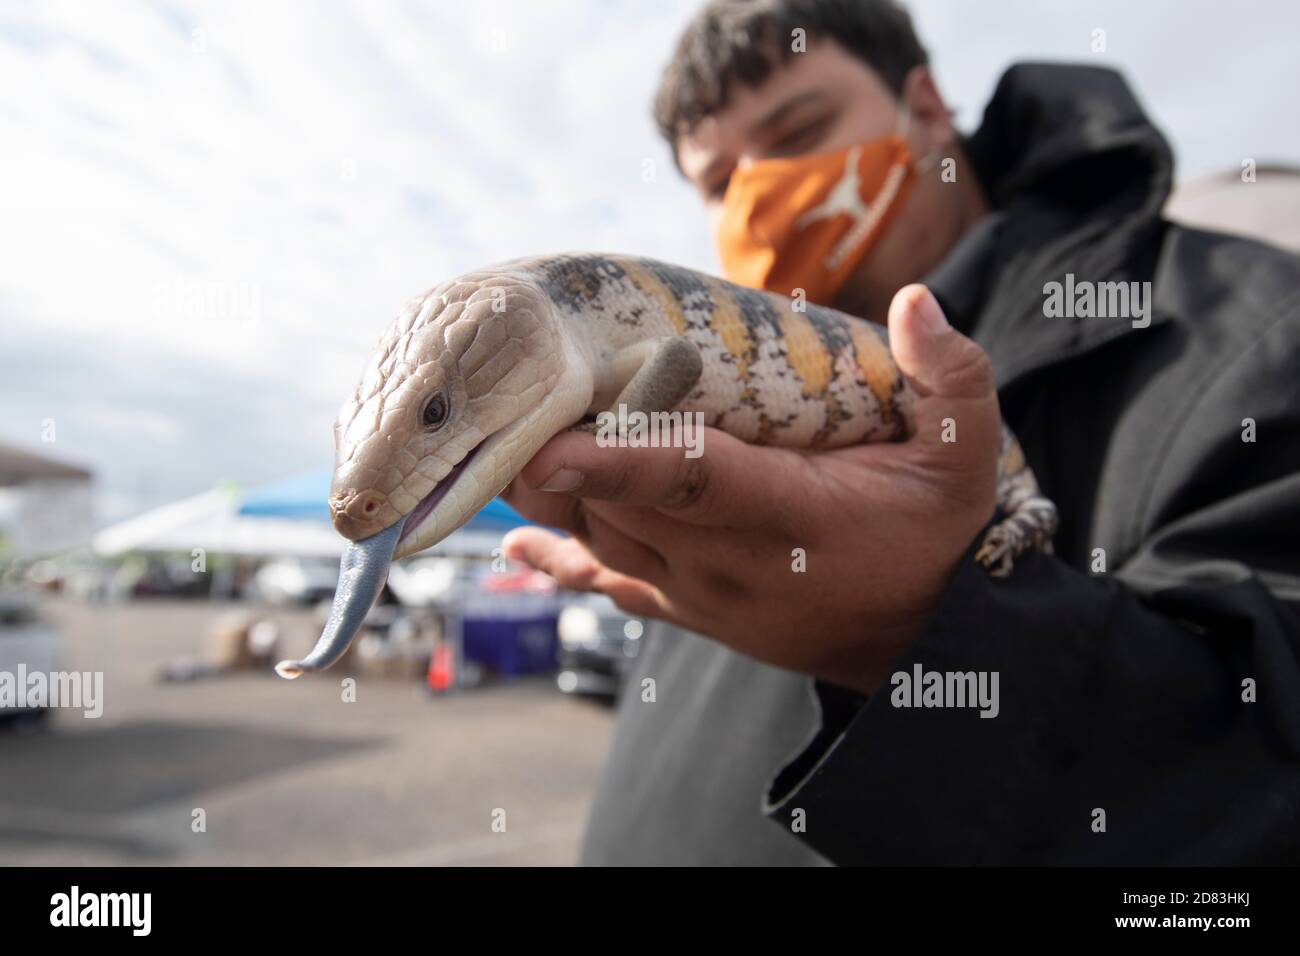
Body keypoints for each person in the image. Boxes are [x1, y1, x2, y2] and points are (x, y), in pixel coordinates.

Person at [502, 0, 1300, 864]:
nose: (760, 195)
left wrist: (918, 635)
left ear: (923, 110)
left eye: (799, 128)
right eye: (721, 183)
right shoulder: (705, 400)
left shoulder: (1251, 334)